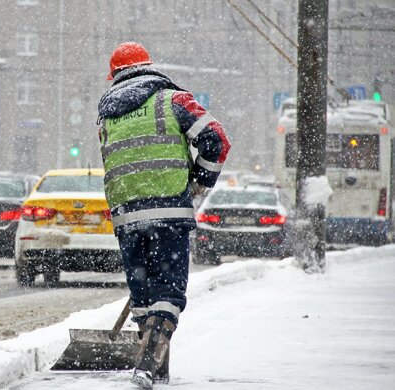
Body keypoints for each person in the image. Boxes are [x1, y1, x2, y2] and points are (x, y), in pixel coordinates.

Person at [97, 42, 230, 388]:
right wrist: (200, 181)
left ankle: (157, 372)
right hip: (169, 210)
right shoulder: (174, 100)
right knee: (168, 295)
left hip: (125, 214)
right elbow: (217, 139)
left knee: (144, 299)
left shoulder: (106, 114)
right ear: (149, 68)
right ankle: (146, 365)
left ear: (115, 76)